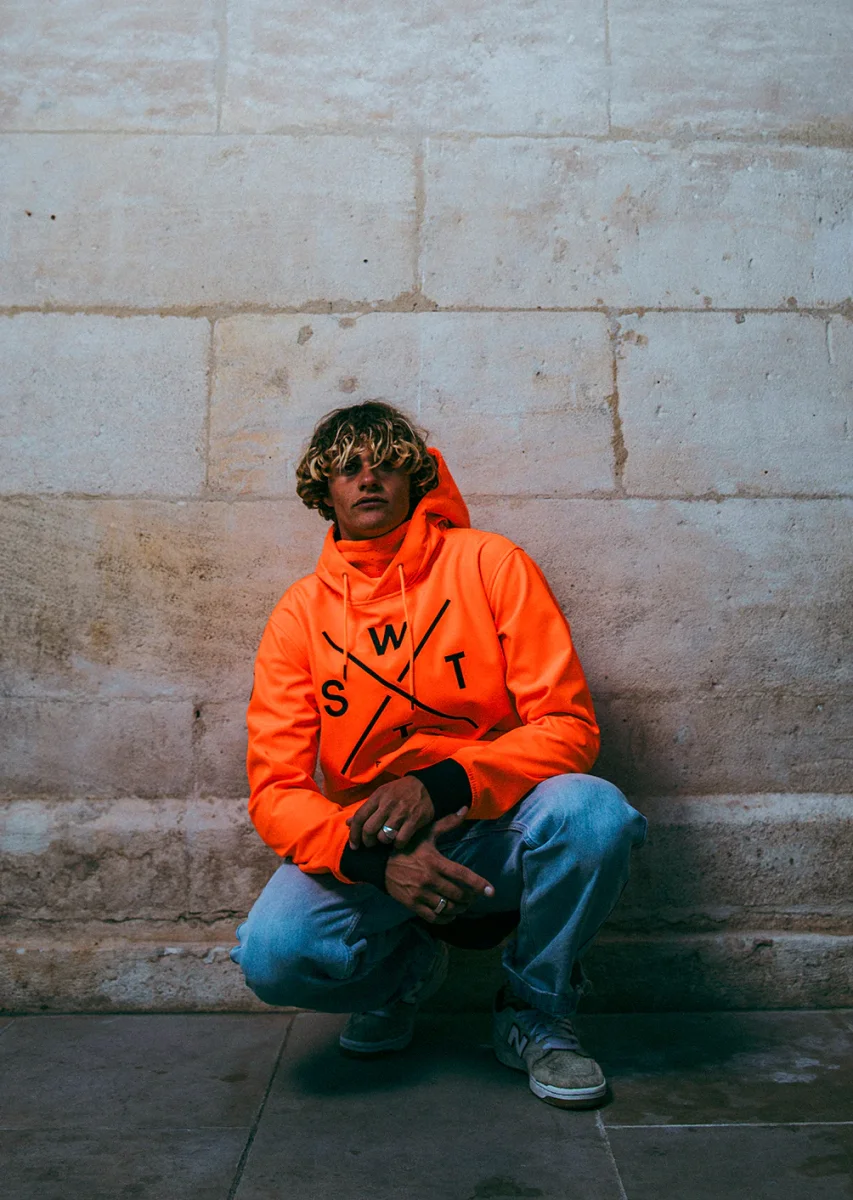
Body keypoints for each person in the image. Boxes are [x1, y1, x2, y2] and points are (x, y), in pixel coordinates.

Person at [230, 400, 646, 1109]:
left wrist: (443, 783)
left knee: (594, 813)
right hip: (375, 847)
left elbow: (568, 725)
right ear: (323, 490)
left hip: (491, 827)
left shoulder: (491, 564)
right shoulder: (299, 614)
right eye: (347, 468)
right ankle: (401, 977)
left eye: (386, 464)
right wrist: (375, 862)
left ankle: (535, 1011)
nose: (368, 479)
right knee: (272, 956)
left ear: (416, 477)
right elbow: (277, 791)